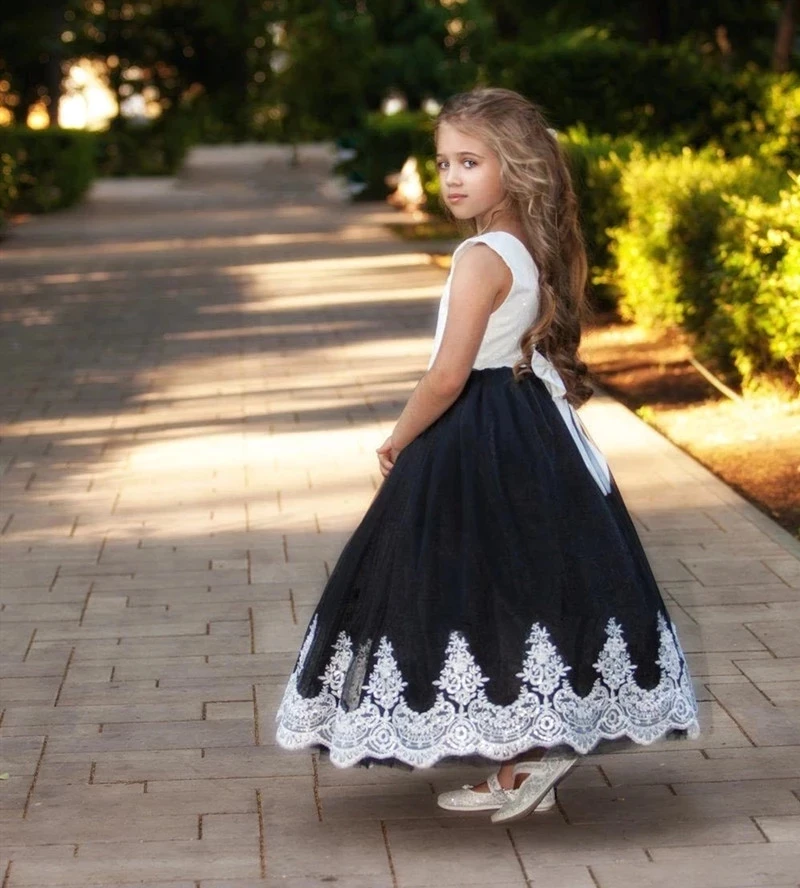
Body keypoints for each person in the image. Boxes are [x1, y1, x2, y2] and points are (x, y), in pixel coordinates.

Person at [275, 87, 699, 824]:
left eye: (470, 161)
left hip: (476, 435)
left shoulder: (480, 256)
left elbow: (447, 374)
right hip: (525, 427)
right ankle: (532, 748)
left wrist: (399, 436)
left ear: (518, 165)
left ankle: (529, 750)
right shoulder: (527, 245)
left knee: (465, 584)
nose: (451, 178)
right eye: (443, 162)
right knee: (523, 583)